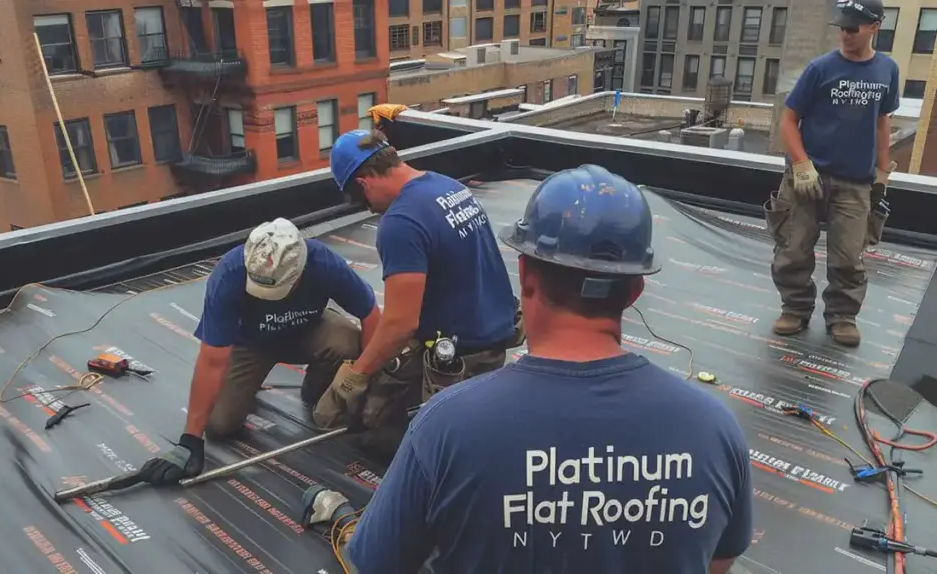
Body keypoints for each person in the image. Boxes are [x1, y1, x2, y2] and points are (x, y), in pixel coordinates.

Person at [342, 165, 754, 573]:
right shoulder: (714, 429)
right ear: (635, 291)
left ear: (526, 275)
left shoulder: (445, 427)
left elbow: (377, 564)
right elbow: (717, 563)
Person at [314, 128, 521, 454]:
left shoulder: (401, 222)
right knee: (378, 399)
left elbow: (400, 324)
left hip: (462, 355)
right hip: (491, 333)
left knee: (382, 436)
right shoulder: (446, 185)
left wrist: (353, 378)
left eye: (360, 199)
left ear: (364, 182)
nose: (368, 209)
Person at [137, 218, 381, 485]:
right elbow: (212, 361)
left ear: (298, 272)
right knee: (220, 425)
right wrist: (190, 440)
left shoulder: (323, 263)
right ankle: (249, 384)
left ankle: (316, 387)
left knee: (347, 343)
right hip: (251, 345)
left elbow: (370, 315)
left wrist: (367, 379)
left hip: (308, 331)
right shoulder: (230, 274)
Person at [766, 0, 899, 348]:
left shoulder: (887, 70)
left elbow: (883, 122)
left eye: (853, 28)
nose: (845, 33)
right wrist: (800, 164)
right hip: (808, 178)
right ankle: (794, 309)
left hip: (855, 181)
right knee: (793, 249)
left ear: (875, 27)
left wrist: (883, 170)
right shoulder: (820, 69)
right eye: (841, 26)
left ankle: (842, 317)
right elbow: (788, 120)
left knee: (849, 257)